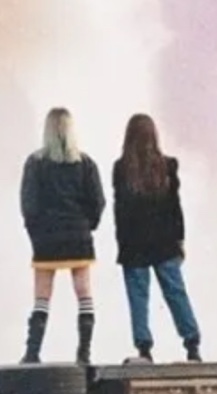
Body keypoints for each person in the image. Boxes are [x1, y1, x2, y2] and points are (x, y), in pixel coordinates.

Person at [113, 114, 202, 365]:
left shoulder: (122, 168)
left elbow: (120, 211)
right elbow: (175, 208)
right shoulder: (168, 165)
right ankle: (192, 343)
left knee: (138, 297)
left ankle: (144, 348)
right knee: (175, 292)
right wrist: (180, 239)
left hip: (134, 244)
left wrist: (121, 243)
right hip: (165, 241)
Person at [19, 108, 105, 365]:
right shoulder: (86, 163)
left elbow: (28, 204)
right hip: (78, 236)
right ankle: (84, 353)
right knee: (84, 294)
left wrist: (34, 232)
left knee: (42, 297)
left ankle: (32, 352)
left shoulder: (35, 163)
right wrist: (88, 226)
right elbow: (98, 201)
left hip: (46, 239)